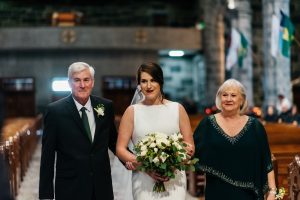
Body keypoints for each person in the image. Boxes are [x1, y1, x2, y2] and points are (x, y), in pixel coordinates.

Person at [39, 62, 118, 200]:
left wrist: (138, 164)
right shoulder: (55, 111)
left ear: (92, 82)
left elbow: (114, 142)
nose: (82, 85)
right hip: (70, 186)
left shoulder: (105, 106)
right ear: (69, 83)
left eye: (86, 80)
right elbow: (47, 155)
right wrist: (46, 195)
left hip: (101, 185)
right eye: (77, 80)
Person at [116, 62, 195, 200]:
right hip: (143, 181)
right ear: (139, 85)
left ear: (161, 82)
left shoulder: (177, 109)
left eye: (153, 80)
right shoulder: (132, 112)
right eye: (144, 81)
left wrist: (174, 163)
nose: (149, 86)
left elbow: (190, 146)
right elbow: (120, 149)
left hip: (174, 178)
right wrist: (145, 166)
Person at [193, 79, 276, 200]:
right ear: (219, 99)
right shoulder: (207, 124)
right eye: (224, 95)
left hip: (248, 194)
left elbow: (266, 161)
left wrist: (272, 191)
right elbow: (191, 153)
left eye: (233, 95)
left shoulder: (256, 126)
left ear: (242, 99)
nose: (228, 99)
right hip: (217, 191)